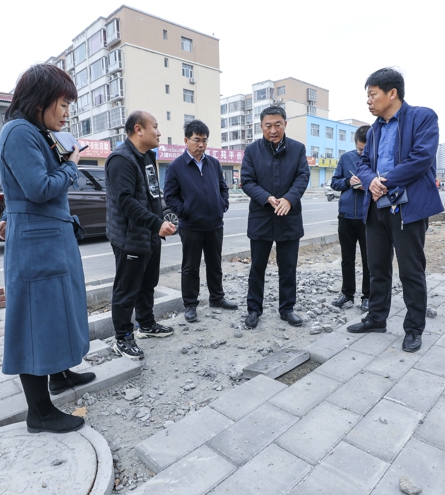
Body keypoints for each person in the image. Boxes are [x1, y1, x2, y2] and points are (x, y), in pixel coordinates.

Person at [0, 64, 95, 434]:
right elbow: (38, 188)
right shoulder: (19, 131)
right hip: (38, 245)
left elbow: (19, 188)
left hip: (48, 239)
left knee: (58, 309)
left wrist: (8, 215)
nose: (67, 112)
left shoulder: (34, 132)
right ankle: (39, 412)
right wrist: (72, 166)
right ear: (41, 100)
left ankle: (60, 373)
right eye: (63, 104)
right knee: (35, 320)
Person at [350, 67, 444, 353]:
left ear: (392, 93)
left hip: (408, 207)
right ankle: (376, 318)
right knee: (377, 267)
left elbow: (421, 158)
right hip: (376, 206)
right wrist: (370, 180)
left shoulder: (423, 118)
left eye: (372, 94)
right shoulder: (375, 129)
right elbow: (363, 163)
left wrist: (385, 182)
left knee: (410, 271)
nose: (368, 101)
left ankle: (414, 328)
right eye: (367, 96)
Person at [105, 111, 176, 360]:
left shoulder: (146, 156)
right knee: (127, 289)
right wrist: (156, 223)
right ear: (139, 129)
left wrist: (163, 218)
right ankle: (123, 338)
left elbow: (152, 195)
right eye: (155, 127)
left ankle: (146, 324)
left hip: (149, 234)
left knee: (148, 283)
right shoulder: (121, 160)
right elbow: (126, 202)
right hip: (130, 237)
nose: (159, 132)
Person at [241, 106, 310, 329]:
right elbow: (247, 181)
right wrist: (267, 197)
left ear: (285, 124)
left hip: (288, 216)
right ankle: (254, 309)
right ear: (261, 127)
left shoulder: (297, 149)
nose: (273, 130)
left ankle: (287, 308)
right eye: (268, 125)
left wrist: (289, 199)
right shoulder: (252, 151)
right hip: (261, 215)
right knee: (257, 267)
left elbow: (302, 176)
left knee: (288, 267)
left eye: (277, 124)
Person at [163, 120, 238, 322]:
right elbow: (170, 196)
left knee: (215, 263)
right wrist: (186, 212)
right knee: (190, 267)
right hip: (191, 226)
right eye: (197, 140)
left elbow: (223, 187)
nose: (201, 144)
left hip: (215, 224)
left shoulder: (213, 163)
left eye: (205, 140)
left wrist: (222, 204)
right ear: (186, 140)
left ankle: (217, 297)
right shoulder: (176, 167)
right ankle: (190, 304)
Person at [330, 125, 371, 312]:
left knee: (368, 260)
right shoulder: (346, 158)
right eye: (359, 149)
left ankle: (368, 296)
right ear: (355, 143)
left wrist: (367, 184)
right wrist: (348, 182)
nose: (362, 153)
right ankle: (347, 293)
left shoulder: (377, 159)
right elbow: (334, 182)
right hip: (345, 215)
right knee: (347, 258)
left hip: (367, 216)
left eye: (365, 150)